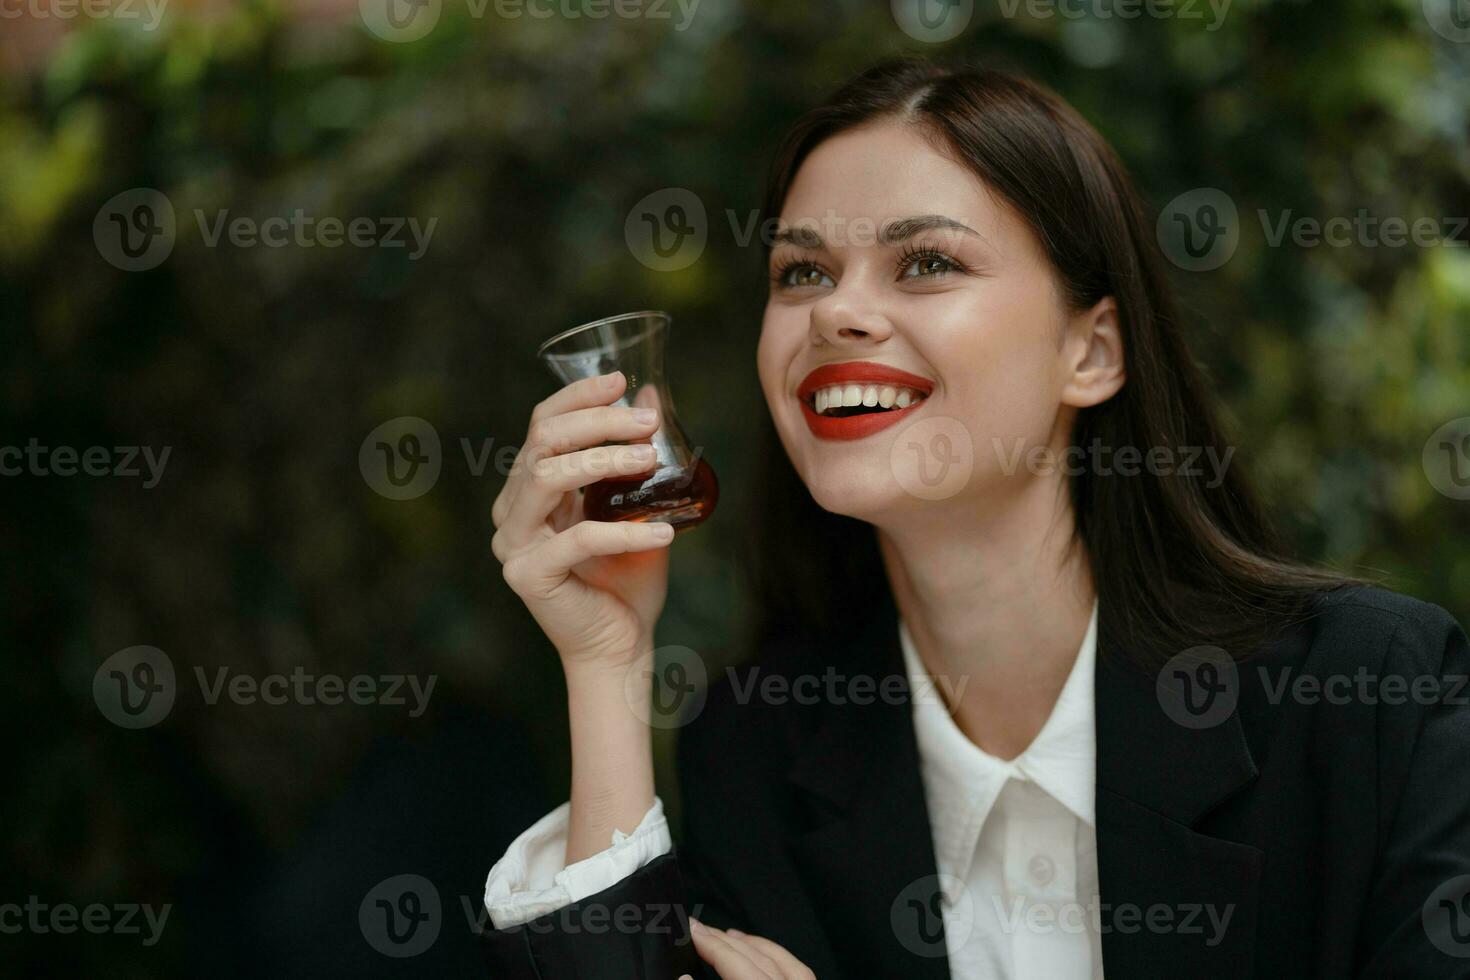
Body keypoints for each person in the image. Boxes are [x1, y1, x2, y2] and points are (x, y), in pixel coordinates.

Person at [480, 58, 1470, 979]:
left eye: (926, 264)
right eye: (802, 273)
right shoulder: (760, 752)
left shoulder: (1372, 697)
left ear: (1093, 353)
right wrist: (605, 665)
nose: (835, 314)